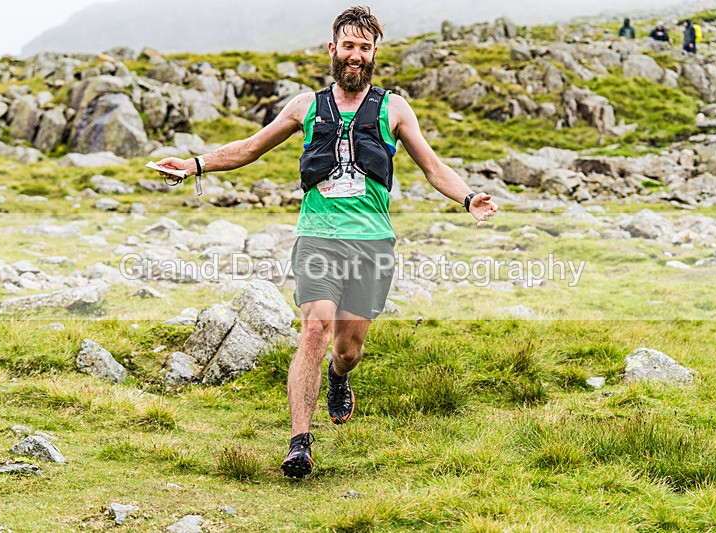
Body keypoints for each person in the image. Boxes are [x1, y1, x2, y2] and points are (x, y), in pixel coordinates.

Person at [154, 5, 498, 479]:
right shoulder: (305, 106)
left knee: (348, 347)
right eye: (348, 47)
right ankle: (300, 443)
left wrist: (468, 197)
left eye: (364, 48)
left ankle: (339, 378)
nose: (355, 56)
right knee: (314, 328)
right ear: (332, 49)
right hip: (318, 236)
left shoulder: (394, 108)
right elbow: (250, 148)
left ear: (374, 53)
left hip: (372, 243)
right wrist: (194, 165)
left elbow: (433, 167)